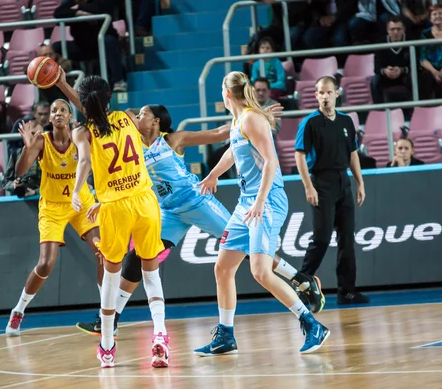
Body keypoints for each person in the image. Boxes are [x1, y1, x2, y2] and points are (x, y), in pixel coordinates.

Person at [76, 104, 325, 336]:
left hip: (197, 203)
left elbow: (218, 133)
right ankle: (109, 320)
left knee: (247, 247)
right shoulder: (133, 146)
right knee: (136, 258)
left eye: (142, 114)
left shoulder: (174, 140)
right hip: (168, 212)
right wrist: (103, 201)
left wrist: (254, 119)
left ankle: (301, 279)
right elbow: (127, 179)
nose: (137, 117)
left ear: (156, 121)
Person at [193, 71, 330, 357]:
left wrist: (260, 201)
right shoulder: (239, 120)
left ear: (226, 93)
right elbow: (234, 151)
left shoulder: (251, 119)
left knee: (260, 272)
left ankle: (311, 323)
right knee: (223, 267)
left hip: (266, 201)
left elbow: (270, 162)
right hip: (247, 202)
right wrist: (213, 176)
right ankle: (226, 336)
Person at [56, 72, 168, 368]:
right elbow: (94, 107)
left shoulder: (82, 133)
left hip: (115, 208)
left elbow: (84, 162)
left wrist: (78, 191)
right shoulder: (128, 117)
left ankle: (107, 347)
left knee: (111, 275)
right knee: (151, 274)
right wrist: (63, 85)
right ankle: (160, 336)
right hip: (145, 202)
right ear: (109, 98)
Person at [4, 99, 104, 336]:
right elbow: (19, 172)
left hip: (81, 203)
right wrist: (27, 148)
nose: (58, 113)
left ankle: (105, 313)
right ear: (49, 118)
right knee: (46, 264)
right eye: (54, 111)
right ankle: (18, 311)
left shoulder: (80, 139)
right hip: (52, 207)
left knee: (103, 251)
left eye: (63, 110)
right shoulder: (41, 141)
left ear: (70, 117)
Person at [294, 76, 370, 306]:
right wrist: (309, 186)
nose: (325, 96)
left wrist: (360, 182)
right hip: (321, 182)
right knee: (321, 238)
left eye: (329, 92)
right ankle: (301, 284)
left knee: (347, 238)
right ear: (316, 95)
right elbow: (300, 154)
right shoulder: (309, 123)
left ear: (337, 93)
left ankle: (347, 291)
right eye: (320, 93)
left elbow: (353, 154)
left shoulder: (347, 121)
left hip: (343, 182)